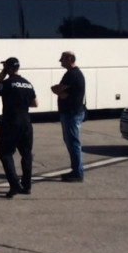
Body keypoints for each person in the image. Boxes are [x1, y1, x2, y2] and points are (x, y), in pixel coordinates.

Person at [0, 57, 37, 198]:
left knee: (5, 153)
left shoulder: (6, 83)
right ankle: (27, 185)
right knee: (26, 154)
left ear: (9, 69)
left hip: (10, 122)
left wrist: (0, 79)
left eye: (5, 67)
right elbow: (35, 103)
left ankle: (14, 185)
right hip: (26, 122)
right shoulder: (27, 84)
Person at [52, 51, 86, 182]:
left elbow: (57, 89)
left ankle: (77, 172)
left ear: (69, 59)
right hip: (71, 112)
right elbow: (58, 90)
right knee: (71, 142)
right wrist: (59, 91)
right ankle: (76, 170)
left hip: (71, 113)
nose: (60, 61)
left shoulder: (72, 74)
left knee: (73, 143)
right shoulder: (73, 74)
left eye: (62, 59)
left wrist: (58, 90)